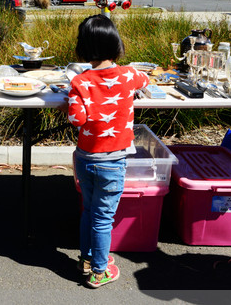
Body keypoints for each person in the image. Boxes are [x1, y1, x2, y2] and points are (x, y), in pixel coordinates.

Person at [63, 15, 149, 289]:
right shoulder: (129, 75)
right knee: (103, 218)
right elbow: (144, 80)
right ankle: (100, 271)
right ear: (116, 44)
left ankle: (86, 260)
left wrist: (70, 99)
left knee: (89, 211)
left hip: (86, 159)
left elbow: (77, 119)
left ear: (83, 48)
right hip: (113, 162)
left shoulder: (80, 82)